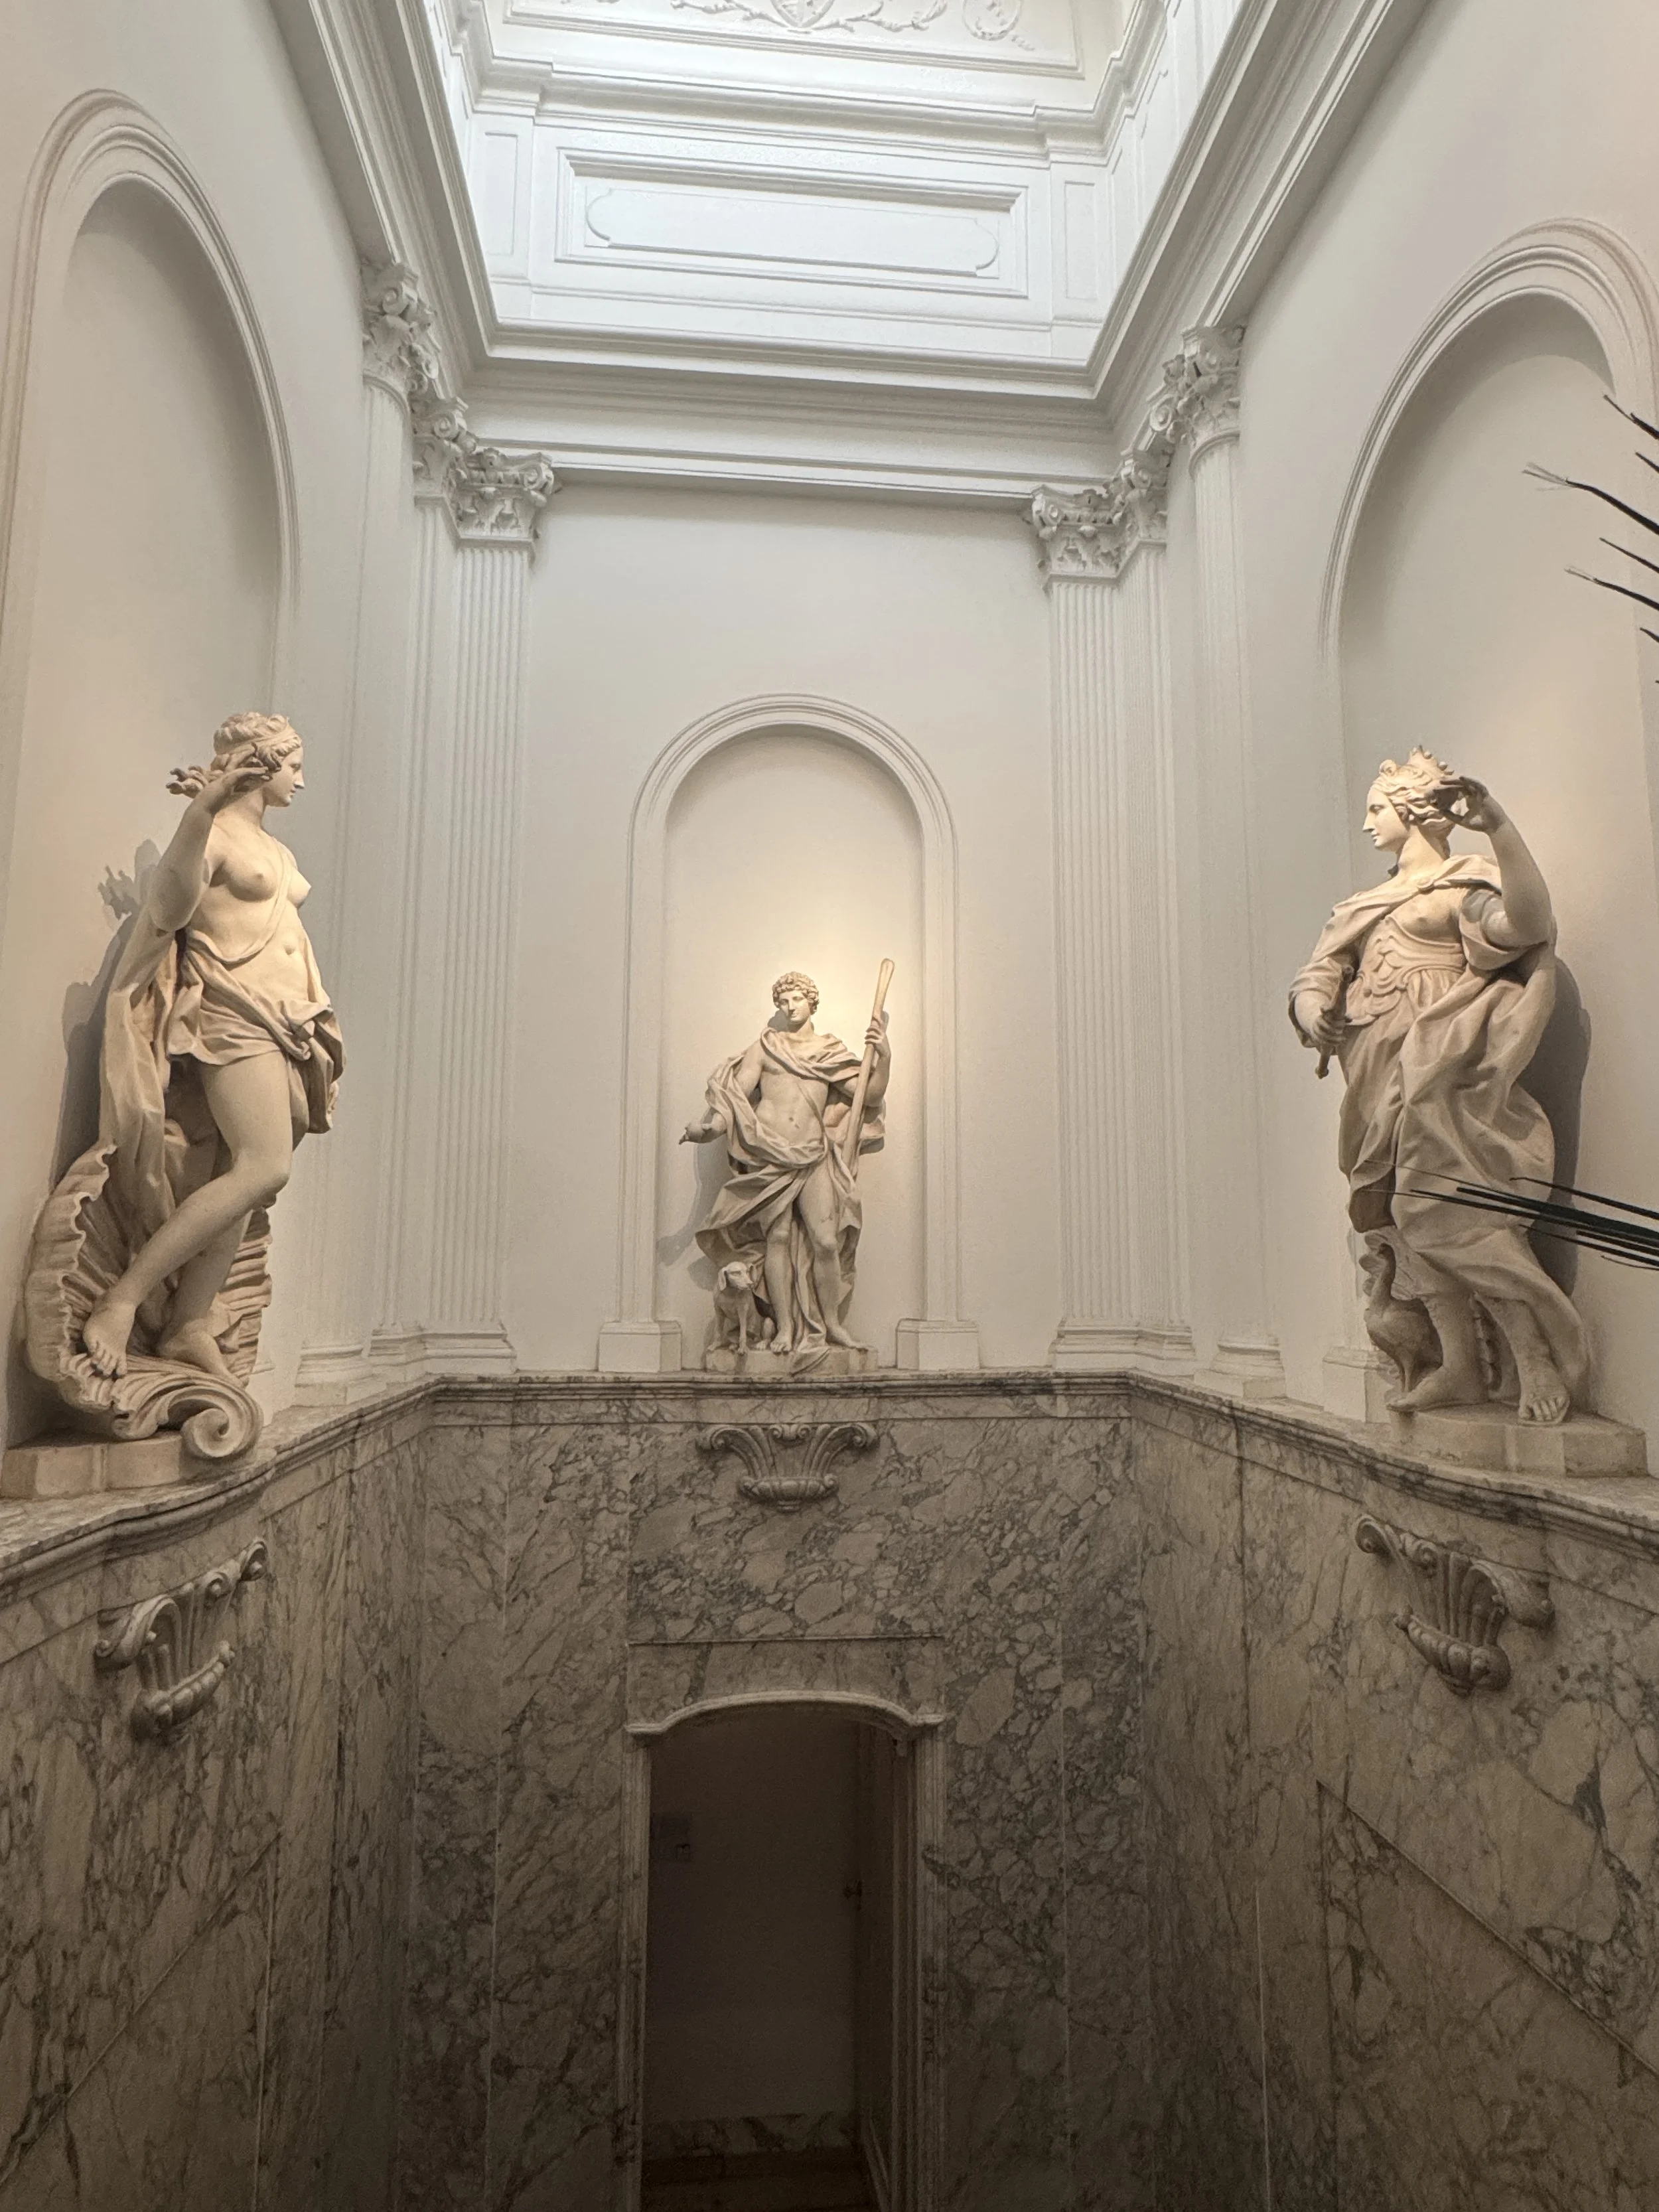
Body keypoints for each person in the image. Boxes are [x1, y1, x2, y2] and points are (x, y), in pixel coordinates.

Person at [1289, 749, 1584, 1424]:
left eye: (1376, 809)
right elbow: (1317, 973)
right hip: (1369, 1072)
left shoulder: (1461, 886)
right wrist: (1314, 1011)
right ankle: (1458, 1365)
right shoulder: (1360, 906)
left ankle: (1530, 1352)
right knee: (1397, 1220)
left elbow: (1529, 925)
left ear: (1413, 811)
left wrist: (1499, 828)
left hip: (1436, 1070)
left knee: (1454, 1214)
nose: (1367, 824)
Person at [78, 712, 344, 1380]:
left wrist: (308, 1017)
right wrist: (201, 809)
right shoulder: (217, 834)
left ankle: (190, 1320)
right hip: (233, 1017)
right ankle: (123, 1299)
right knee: (264, 1167)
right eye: (294, 764)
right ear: (261, 764)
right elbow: (171, 910)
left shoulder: (277, 852)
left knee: (242, 1179)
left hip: (289, 1022)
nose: (301, 780)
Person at [682, 971, 889, 1361]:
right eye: (783, 1002)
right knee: (776, 1240)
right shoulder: (765, 1047)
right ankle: (786, 1326)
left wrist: (886, 1056)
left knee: (826, 1241)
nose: (789, 1007)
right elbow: (736, 1098)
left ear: (812, 1001)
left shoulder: (829, 1051)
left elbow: (871, 1093)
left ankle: (832, 1326)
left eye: (796, 999)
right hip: (769, 1155)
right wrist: (710, 1129)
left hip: (813, 1154)